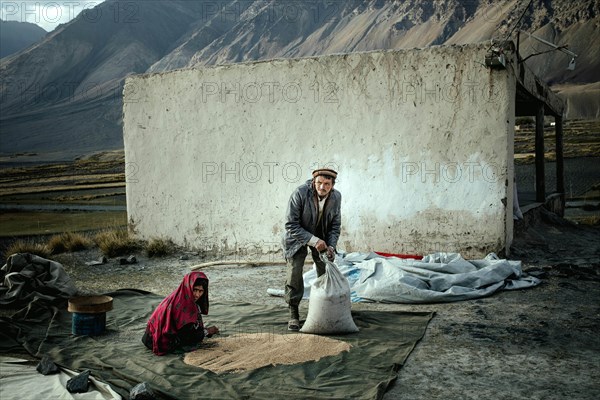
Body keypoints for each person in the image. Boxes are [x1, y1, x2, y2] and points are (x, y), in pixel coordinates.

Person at [283, 168, 341, 331]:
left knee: (325, 272)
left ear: (332, 185)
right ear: (313, 182)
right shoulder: (300, 193)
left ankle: (323, 309)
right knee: (294, 274)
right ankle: (293, 312)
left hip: (322, 239)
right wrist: (314, 241)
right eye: (319, 183)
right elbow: (290, 224)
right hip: (296, 238)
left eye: (327, 184)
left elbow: (335, 225)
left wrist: (331, 245)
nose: (322, 187)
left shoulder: (336, 197)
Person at [142, 271, 219, 355]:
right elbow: (186, 337)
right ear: (189, 287)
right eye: (195, 290)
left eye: (201, 291)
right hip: (158, 341)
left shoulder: (183, 296)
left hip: (152, 336)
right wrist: (206, 332)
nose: (197, 295)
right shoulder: (182, 305)